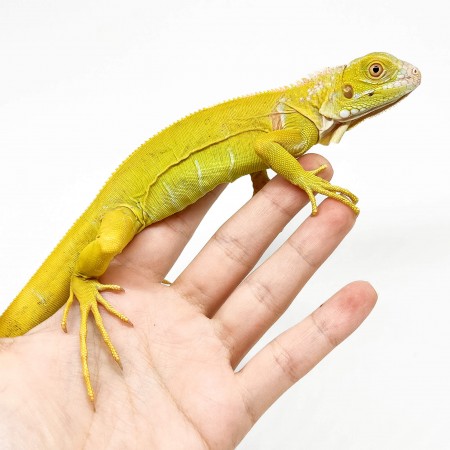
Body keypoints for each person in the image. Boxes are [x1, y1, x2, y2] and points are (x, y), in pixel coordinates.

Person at [0, 154, 377, 448]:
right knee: (109, 245)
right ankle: (82, 276)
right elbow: (265, 148)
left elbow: (263, 152)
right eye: (376, 72)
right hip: (119, 215)